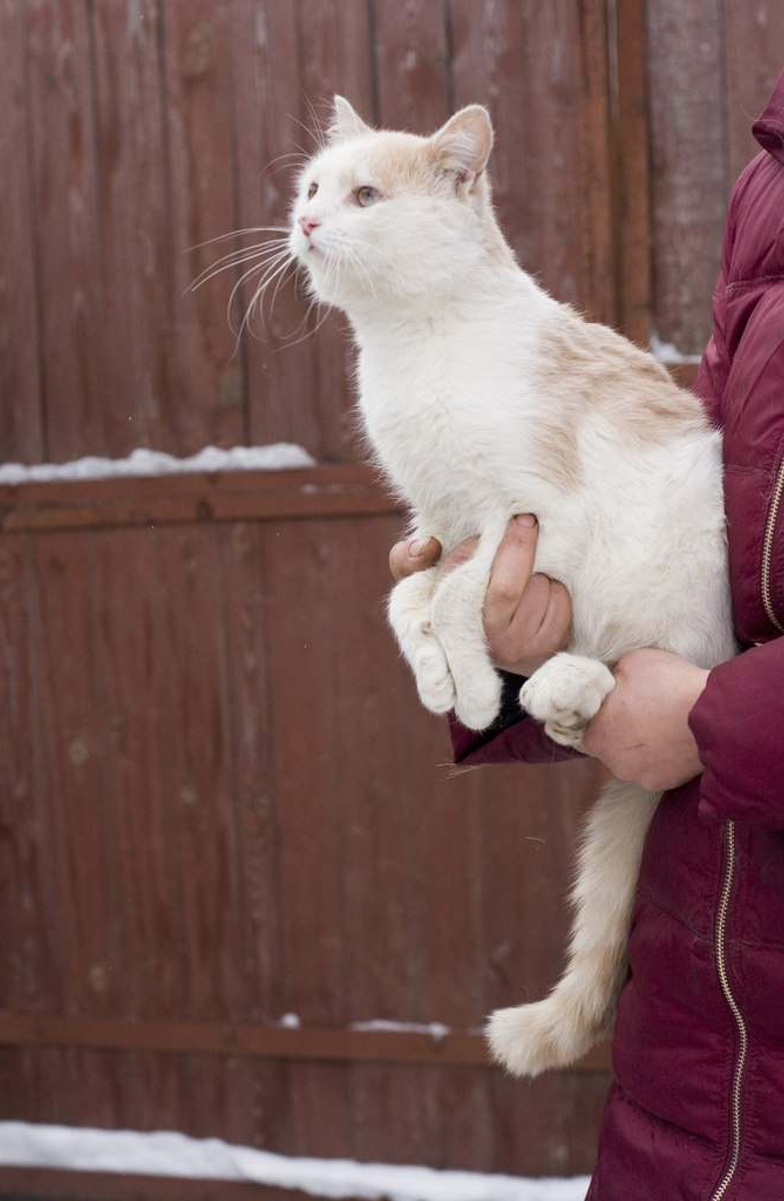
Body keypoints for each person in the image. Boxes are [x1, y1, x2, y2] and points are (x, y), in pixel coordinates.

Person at [389, 72, 784, 1200]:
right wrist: (539, 639)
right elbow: (719, 503)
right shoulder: (770, 181)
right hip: (694, 1041)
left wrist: (714, 719)